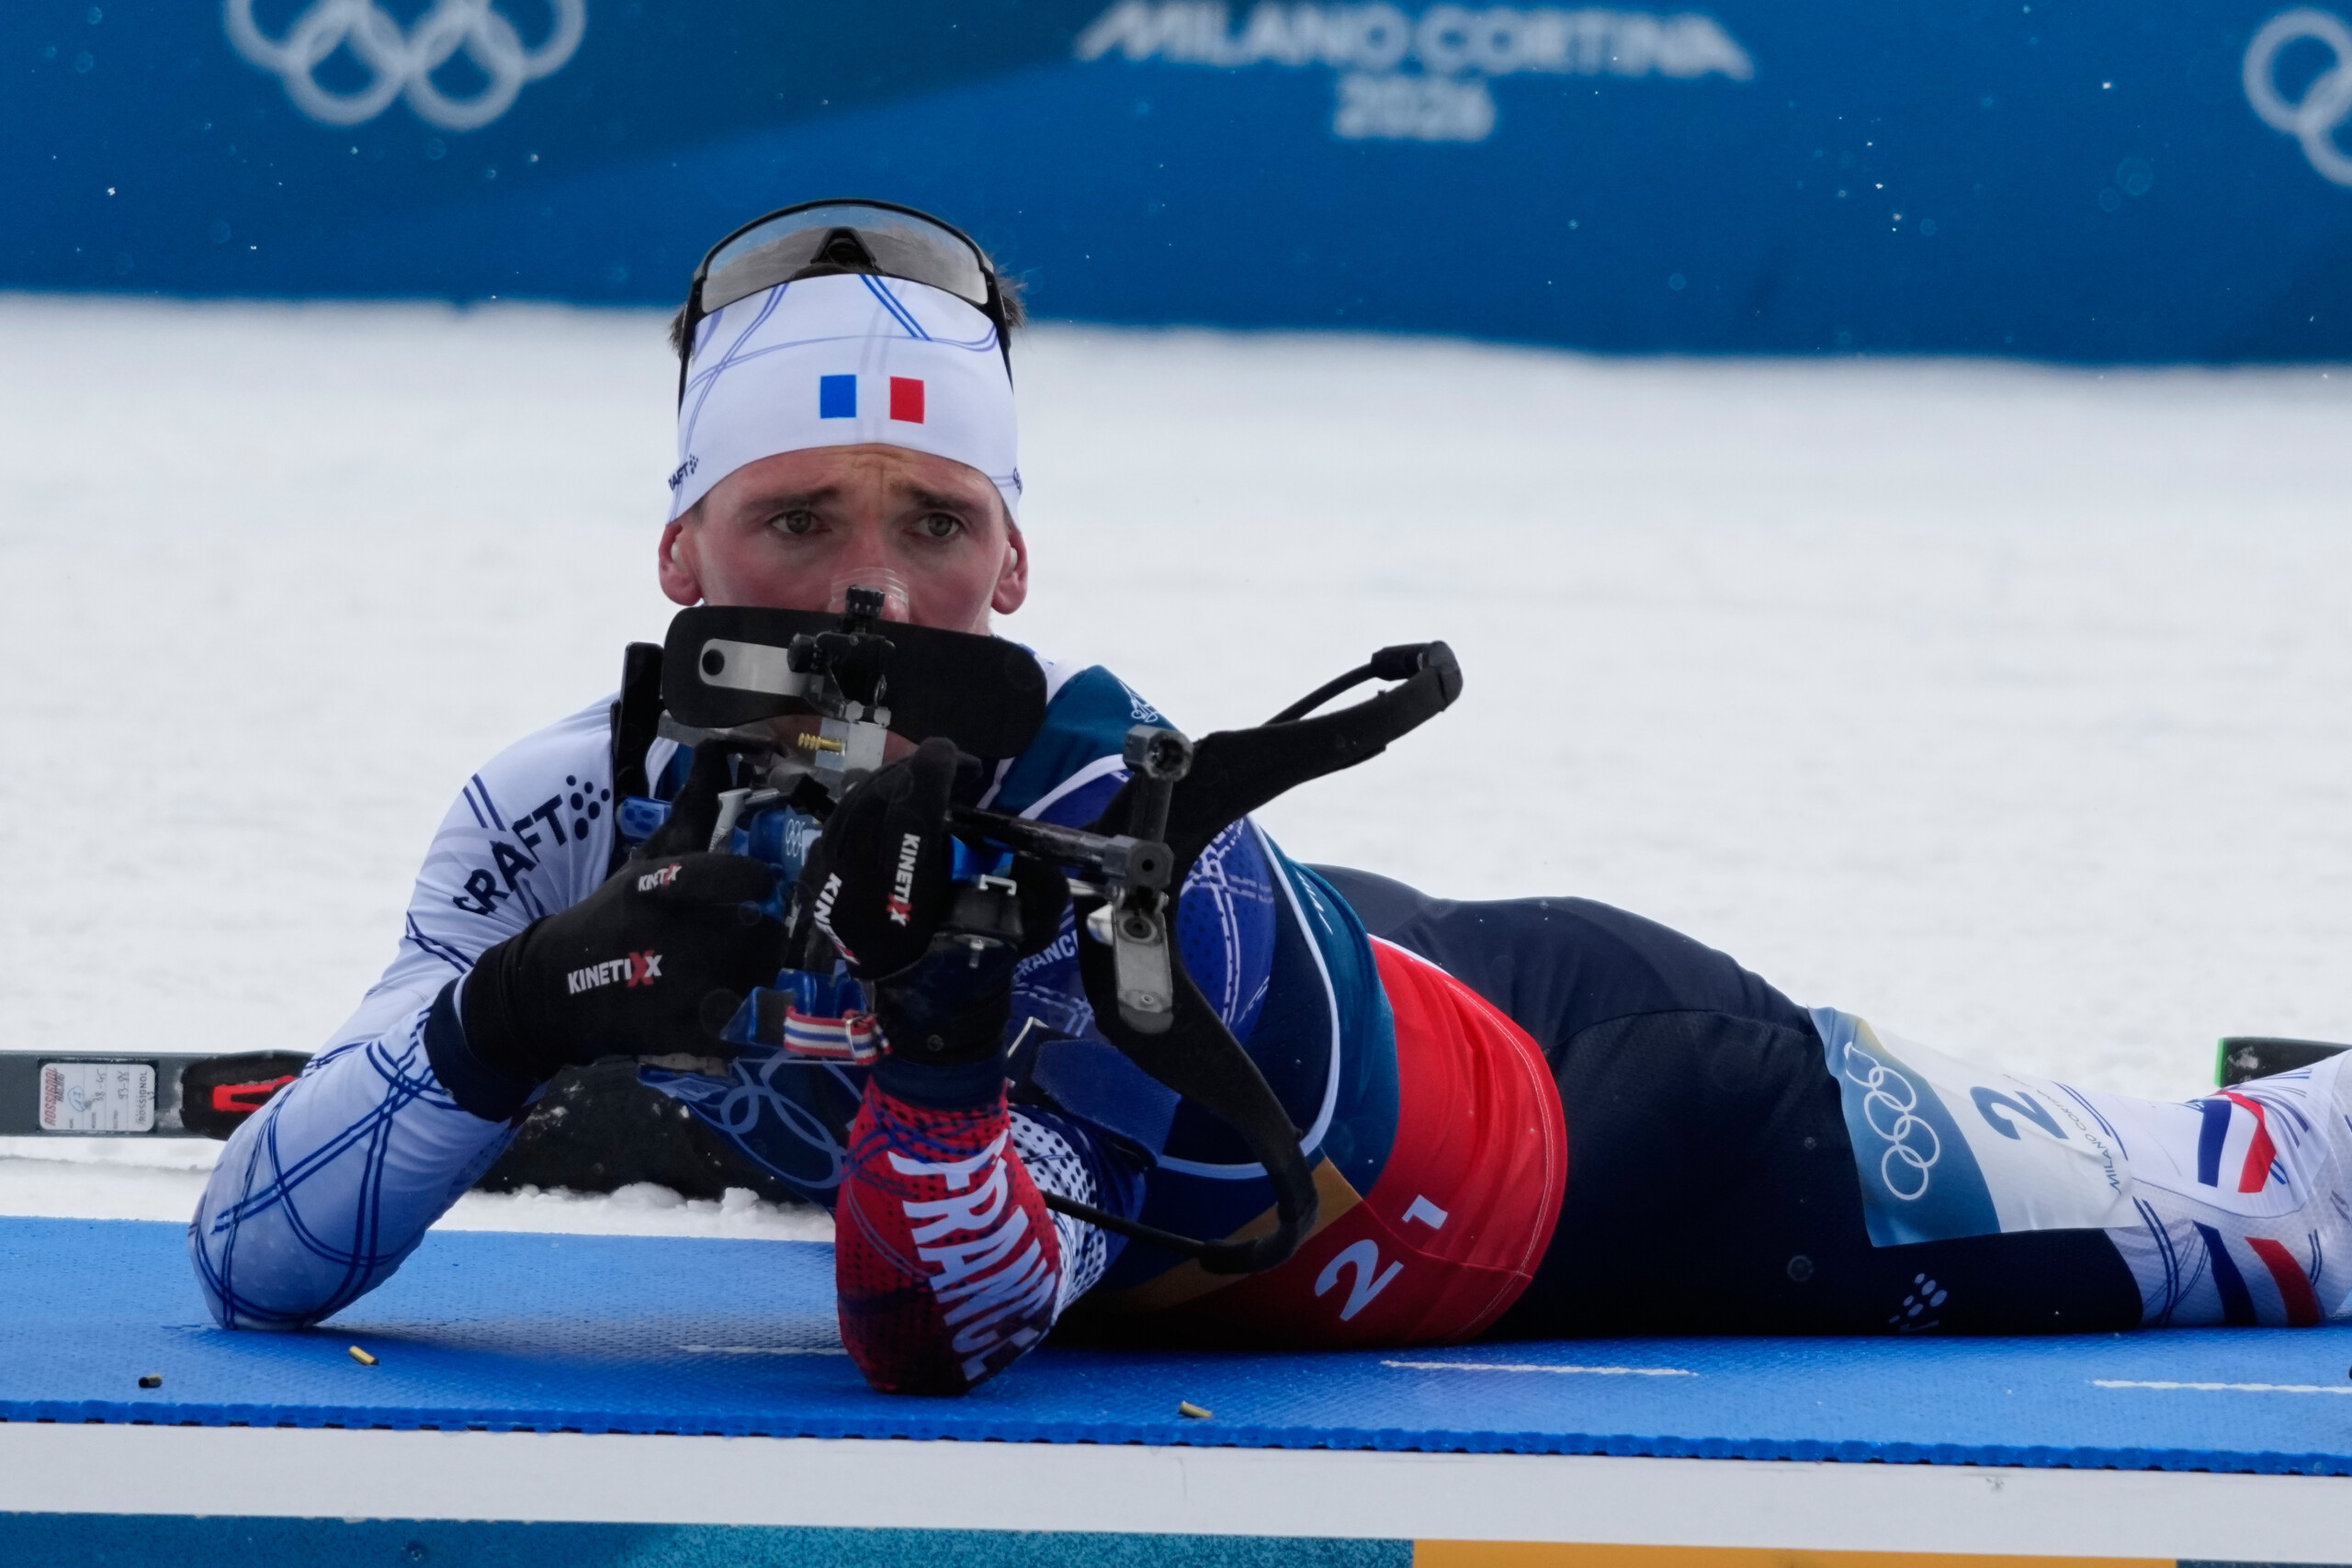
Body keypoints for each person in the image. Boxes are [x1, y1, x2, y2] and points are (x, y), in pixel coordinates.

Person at [190, 200, 2352, 1396]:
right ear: (679, 563)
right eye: (795, 517)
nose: (864, 580)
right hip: (1397, 1017)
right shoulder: (556, 816)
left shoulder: (1115, 844)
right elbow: (257, 1263)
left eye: (933, 517)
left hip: (1628, 1136)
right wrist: (508, 1020)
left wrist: (945, 1072)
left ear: (1014, 567)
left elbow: (942, 1336)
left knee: (2262, 1203)